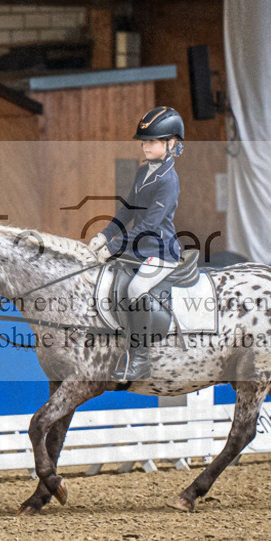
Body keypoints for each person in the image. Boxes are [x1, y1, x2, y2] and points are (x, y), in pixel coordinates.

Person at [88, 106, 183, 383]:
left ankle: (140, 359)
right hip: (139, 247)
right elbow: (127, 210)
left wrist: (114, 247)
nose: (146, 146)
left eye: (152, 141)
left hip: (160, 251)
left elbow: (148, 226)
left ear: (171, 143)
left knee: (135, 289)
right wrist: (105, 234)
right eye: (144, 142)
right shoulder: (143, 172)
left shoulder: (169, 181)